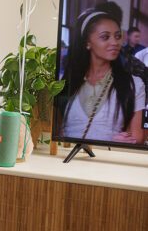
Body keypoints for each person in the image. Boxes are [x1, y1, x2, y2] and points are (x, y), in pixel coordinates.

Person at [57, 8, 146, 144]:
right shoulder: (67, 83)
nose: (115, 42)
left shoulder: (133, 84)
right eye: (105, 37)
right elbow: (56, 132)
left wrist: (124, 141)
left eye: (117, 36)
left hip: (111, 159)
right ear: (87, 42)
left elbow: (138, 137)